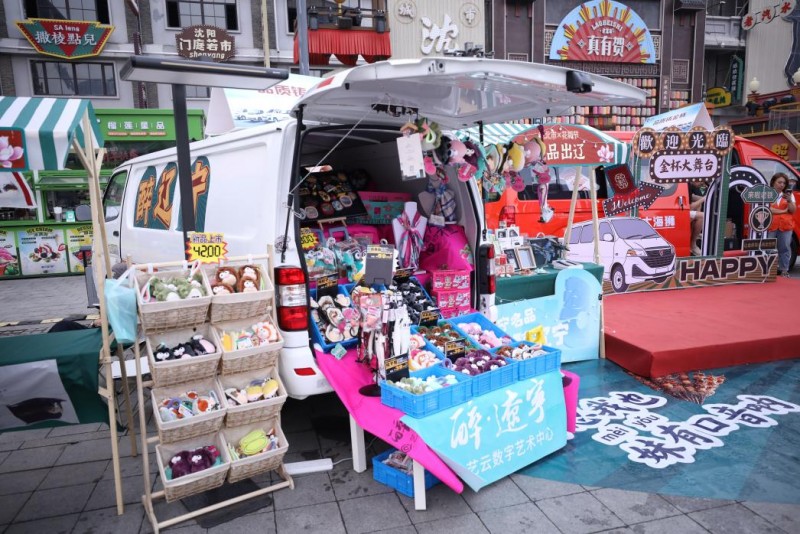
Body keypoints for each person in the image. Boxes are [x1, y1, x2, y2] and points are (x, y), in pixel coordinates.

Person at [767, 172, 796, 277]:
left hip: (785, 226)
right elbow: (768, 209)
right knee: (767, 248)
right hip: (770, 225)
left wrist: (789, 201)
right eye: (779, 182)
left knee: (785, 248)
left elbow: (792, 210)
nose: (782, 185)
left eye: (784, 183)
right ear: (773, 182)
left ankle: (784, 270)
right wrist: (783, 211)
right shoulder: (768, 194)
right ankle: (767, 270)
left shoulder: (789, 195)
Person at [689, 180, 706, 256]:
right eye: (700, 180)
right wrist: (703, 199)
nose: (702, 183)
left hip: (685, 211)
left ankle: (696, 233)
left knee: (699, 206)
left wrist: (703, 198)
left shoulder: (690, 185)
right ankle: (693, 245)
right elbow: (690, 207)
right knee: (703, 216)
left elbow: (691, 196)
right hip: (680, 213)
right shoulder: (687, 185)